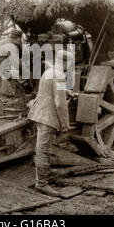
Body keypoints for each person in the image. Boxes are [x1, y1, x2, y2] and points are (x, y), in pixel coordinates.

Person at [28, 50, 72, 197]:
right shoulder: (59, 76)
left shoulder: (48, 72)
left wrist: (65, 91)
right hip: (48, 117)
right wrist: (65, 125)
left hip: (39, 114)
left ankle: (42, 175)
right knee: (44, 150)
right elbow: (60, 104)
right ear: (65, 62)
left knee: (42, 148)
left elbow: (49, 90)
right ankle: (42, 184)